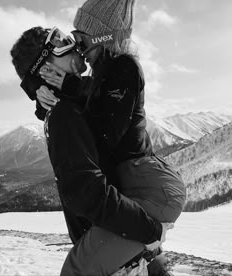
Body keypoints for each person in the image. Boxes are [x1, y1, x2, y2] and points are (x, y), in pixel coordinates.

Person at [36, 0, 186, 275]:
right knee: (141, 267)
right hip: (135, 187)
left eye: (81, 41)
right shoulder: (103, 73)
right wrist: (45, 96)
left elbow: (104, 134)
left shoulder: (124, 68)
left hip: (153, 188)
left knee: (79, 268)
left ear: (103, 36)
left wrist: (68, 88)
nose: (79, 49)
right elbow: (86, 106)